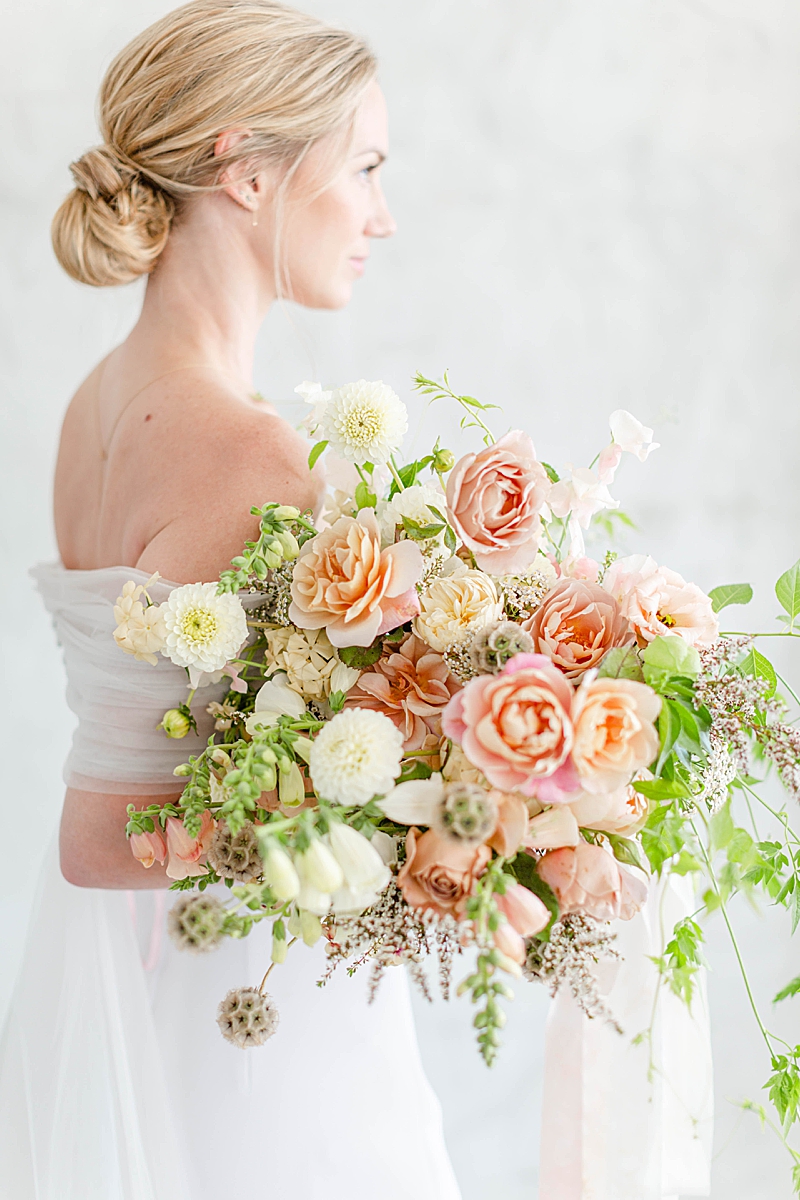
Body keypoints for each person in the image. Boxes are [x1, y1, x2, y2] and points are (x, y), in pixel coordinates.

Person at [0, 4, 462, 1198]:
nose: (381, 215)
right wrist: (455, 818)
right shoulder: (255, 460)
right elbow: (109, 830)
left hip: (176, 993)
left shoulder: (96, 405)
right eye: (364, 167)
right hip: (276, 1029)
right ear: (247, 172)